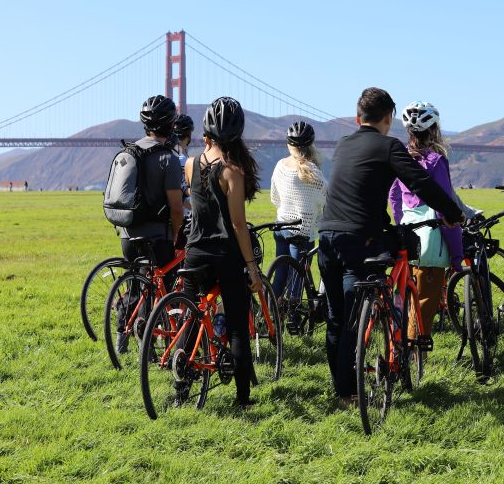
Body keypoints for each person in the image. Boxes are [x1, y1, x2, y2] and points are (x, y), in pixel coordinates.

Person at [318, 87, 464, 406]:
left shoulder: (342, 144)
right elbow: (421, 182)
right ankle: (347, 393)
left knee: (335, 317)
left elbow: (357, 191)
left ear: (359, 118)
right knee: (352, 322)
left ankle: (341, 389)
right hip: (358, 241)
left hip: (326, 236)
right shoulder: (389, 146)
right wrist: (452, 213)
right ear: (388, 118)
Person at [181, 97, 263, 407]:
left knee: (192, 318)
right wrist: (252, 269)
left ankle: (182, 389)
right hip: (224, 256)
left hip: (194, 253)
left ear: (205, 135)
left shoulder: (191, 165)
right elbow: (239, 227)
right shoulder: (232, 172)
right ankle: (243, 398)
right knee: (238, 324)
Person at [388, 101, 463, 346]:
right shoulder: (435, 161)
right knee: (423, 304)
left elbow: (394, 196)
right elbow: (445, 207)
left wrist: (403, 220)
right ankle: (412, 355)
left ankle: (395, 349)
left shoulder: (401, 159)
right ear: (434, 130)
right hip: (430, 243)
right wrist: (456, 255)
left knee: (402, 299)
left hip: (405, 237)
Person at [117, 95, 184, 301]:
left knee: (135, 287)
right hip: (157, 238)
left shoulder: (129, 152)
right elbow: (176, 208)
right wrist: (176, 239)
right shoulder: (168, 159)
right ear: (172, 124)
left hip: (127, 235)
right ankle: (152, 330)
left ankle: (122, 330)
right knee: (165, 290)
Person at [270, 121, 327, 327]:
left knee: (280, 275)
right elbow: (325, 200)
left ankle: (270, 318)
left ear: (289, 144)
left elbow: (275, 198)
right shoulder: (314, 172)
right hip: (302, 231)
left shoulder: (280, 166)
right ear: (311, 145)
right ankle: (293, 319)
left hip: (281, 226)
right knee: (296, 278)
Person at [172, 114, 195, 217]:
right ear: (189, 135)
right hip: (182, 219)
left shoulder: (170, 154)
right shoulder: (181, 159)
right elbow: (183, 194)